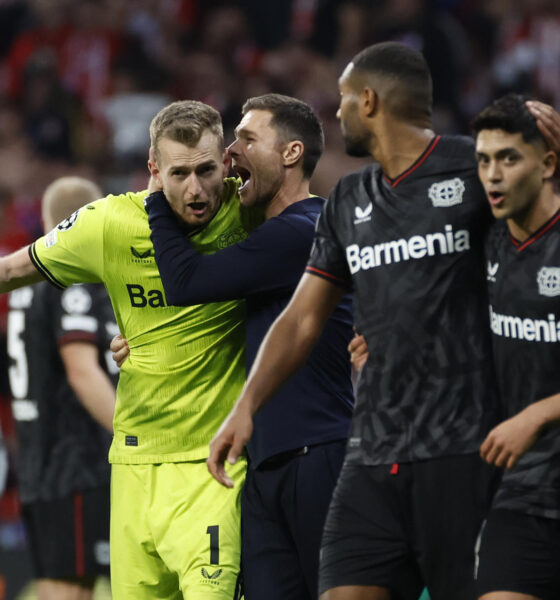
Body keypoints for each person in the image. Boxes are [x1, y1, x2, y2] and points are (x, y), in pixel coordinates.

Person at [207, 41, 502, 600]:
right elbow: (299, 320)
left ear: (368, 100)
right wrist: (246, 408)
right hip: (372, 453)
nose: (334, 113)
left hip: (463, 448)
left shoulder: (473, 168)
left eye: (341, 101)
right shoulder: (347, 200)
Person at [0, 100, 260, 599]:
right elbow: (12, 270)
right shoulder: (110, 224)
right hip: (132, 470)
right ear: (153, 170)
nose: (196, 189)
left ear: (226, 163)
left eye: (207, 170)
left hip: (212, 470)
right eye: (179, 173)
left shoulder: (252, 214)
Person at [132, 93, 355, 600]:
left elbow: (185, 282)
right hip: (265, 463)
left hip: (319, 454)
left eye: (247, 139)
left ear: (292, 154)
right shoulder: (270, 239)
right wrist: (137, 340)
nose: (231, 152)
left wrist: (154, 198)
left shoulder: (302, 231)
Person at [7, 176, 116, 600]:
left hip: (39, 464)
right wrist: (134, 435)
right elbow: (81, 370)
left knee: (58, 587)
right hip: (76, 463)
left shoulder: (24, 284)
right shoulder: (68, 278)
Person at [471, 94, 560, 600]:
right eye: (484, 161)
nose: (493, 175)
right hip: (522, 493)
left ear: (548, 164)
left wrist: (536, 414)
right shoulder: (486, 238)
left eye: (509, 158)